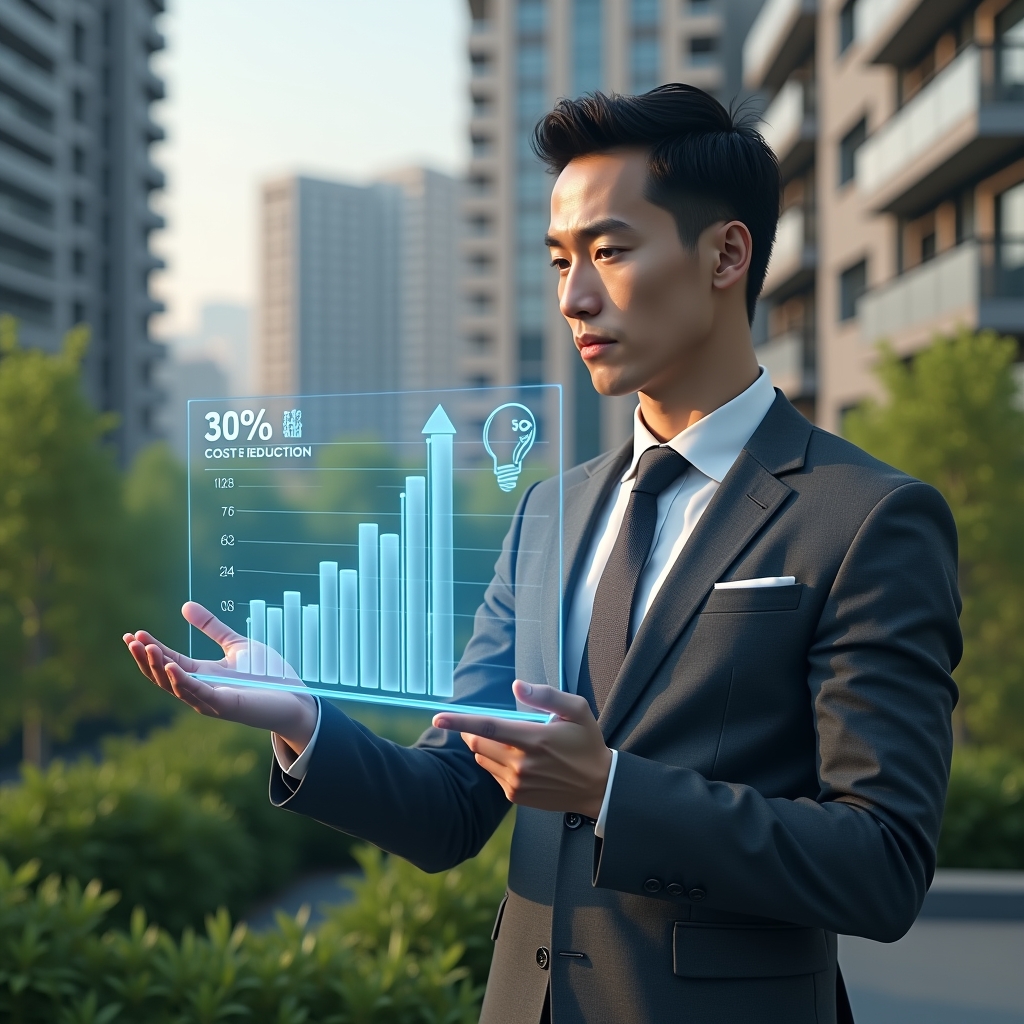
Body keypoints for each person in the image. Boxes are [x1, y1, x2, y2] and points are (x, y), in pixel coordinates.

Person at [125, 85, 961, 1024]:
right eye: (561, 260)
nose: (573, 296)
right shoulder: (550, 513)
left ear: (727, 253)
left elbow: (883, 864)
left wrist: (613, 791)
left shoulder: (868, 518)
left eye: (610, 251)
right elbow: (450, 806)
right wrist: (304, 719)